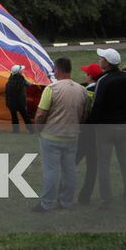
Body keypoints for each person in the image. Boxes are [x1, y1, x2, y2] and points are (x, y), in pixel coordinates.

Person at [31, 57, 89, 213]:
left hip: (51, 135)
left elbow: (40, 114)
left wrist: (38, 129)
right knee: (69, 170)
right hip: (72, 136)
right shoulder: (82, 90)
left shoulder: (51, 89)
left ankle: (47, 203)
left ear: (57, 69)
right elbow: (84, 114)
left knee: (51, 171)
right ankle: (66, 201)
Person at [87, 47, 126, 206]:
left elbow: (97, 106)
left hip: (105, 128)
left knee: (104, 164)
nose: (99, 60)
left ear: (107, 63)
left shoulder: (103, 81)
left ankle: (106, 199)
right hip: (124, 125)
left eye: (101, 58)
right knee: (125, 162)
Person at [75, 62, 104, 205]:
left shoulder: (86, 91)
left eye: (86, 73)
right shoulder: (102, 88)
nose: (83, 75)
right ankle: (85, 196)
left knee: (71, 162)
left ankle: (63, 191)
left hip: (85, 133)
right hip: (98, 134)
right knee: (92, 167)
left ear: (90, 76)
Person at [4, 65, 30, 132]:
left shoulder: (10, 80)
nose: (23, 70)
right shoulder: (21, 79)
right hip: (20, 102)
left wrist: (7, 102)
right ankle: (31, 130)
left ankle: (15, 130)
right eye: (21, 70)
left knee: (14, 116)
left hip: (11, 102)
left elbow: (7, 92)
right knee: (25, 116)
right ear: (19, 72)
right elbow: (28, 84)